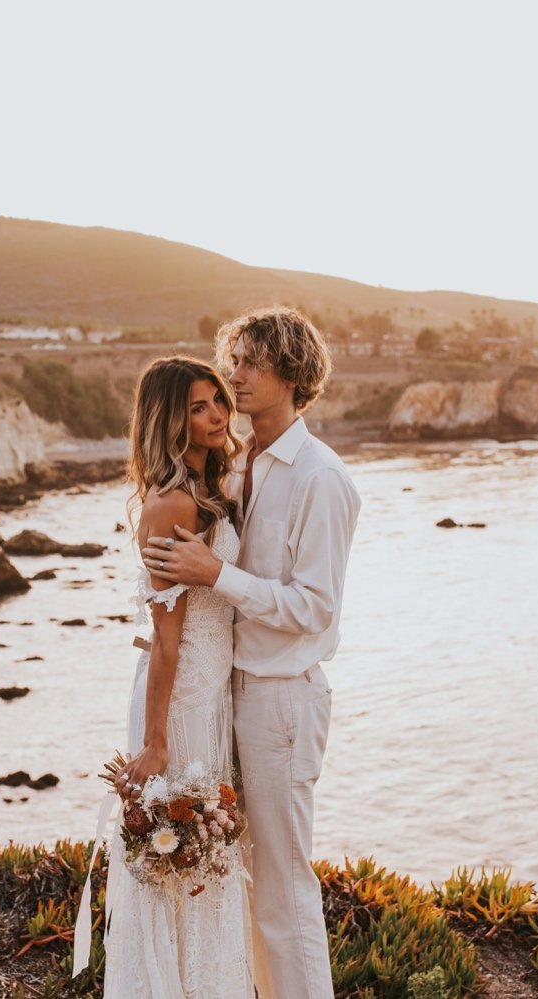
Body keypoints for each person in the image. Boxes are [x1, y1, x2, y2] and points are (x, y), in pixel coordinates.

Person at [143, 307, 361, 999]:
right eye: (233, 359)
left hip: (282, 700)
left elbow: (315, 607)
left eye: (250, 363)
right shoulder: (242, 467)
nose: (234, 374)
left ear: (293, 374)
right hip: (229, 695)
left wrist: (217, 575)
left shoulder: (320, 478)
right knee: (245, 876)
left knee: (284, 888)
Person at [102, 355, 255, 997]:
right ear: (171, 419)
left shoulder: (210, 492)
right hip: (179, 700)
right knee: (180, 854)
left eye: (218, 400)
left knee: (205, 855)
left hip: (211, 694)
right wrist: (157, 741)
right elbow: (166, 642)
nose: (217, 414)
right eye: (198, 407)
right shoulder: (170, 507)